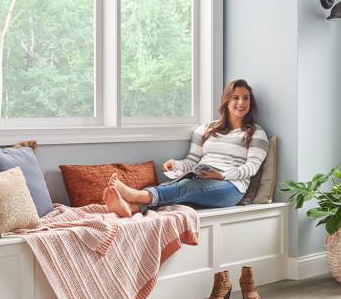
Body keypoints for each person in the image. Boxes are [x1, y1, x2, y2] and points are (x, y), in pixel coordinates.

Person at [103, 79, 269, 218]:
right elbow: (193, 160)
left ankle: (135, 195)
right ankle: (132, 208)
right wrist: (176, 165)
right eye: (236, 98)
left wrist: (222, 175)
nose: (241, 103)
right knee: (182, 187)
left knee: (188, 187)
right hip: (202, 178)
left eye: (246, 98)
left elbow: (251, 168)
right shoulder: (207, 129)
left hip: (231, 187)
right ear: (227, 101)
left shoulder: (256, 133)